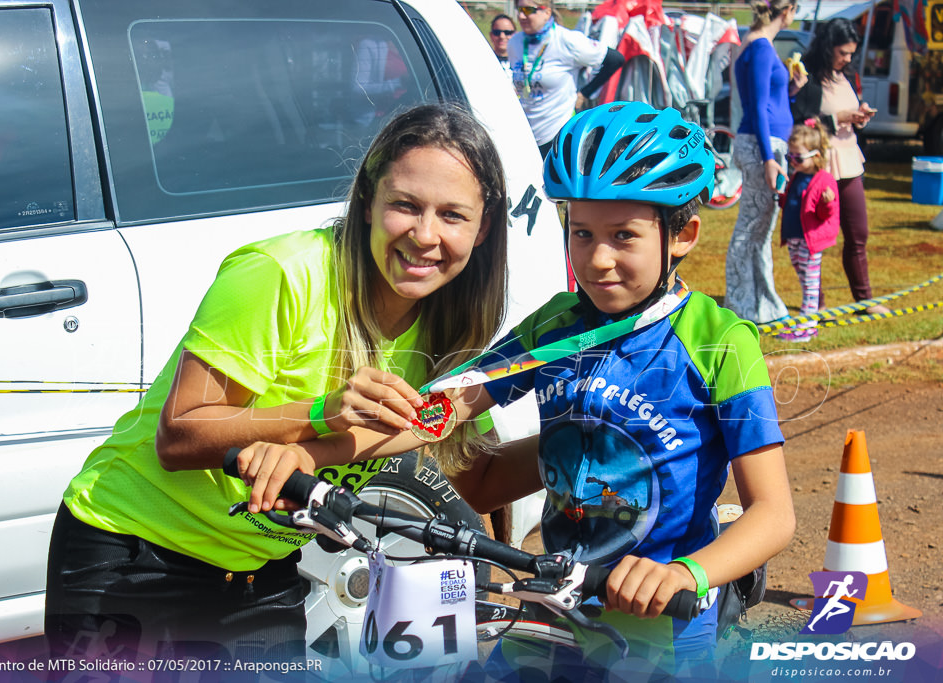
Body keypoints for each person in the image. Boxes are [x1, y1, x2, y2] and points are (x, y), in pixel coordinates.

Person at [248, 102, 795, 678]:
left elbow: (774, 514)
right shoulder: (556, 325)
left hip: (661, 619)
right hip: (553, 599)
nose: (598, 259)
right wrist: (308, 455)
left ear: (681, 234)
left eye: (624, 236)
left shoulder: (719, 341)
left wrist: (686, 573)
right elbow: (434, 413)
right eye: (581, 233)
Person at [43, 103, 510, 664]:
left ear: (483, 228)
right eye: (405, 205)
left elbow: (475, 476)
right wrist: (320, 414)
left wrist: (595, 433)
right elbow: (179, 438)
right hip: (136, 552)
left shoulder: (451, 321)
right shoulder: (283, 272)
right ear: (367, 202)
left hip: (260, 571)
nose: (425, 235)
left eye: (453, 216)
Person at [791, 17, 888, 315]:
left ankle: (865, 301)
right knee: (814, 240)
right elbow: (803, 124)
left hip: (849, 161)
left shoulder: (845, 75)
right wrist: (839, 119)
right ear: (828, 47)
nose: (847, 58)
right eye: (842, 52)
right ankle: (815, 304)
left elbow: (845, 114)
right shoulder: (809, 77)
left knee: (858, 234)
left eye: (850, 53)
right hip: (821, 167)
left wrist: (859, 117)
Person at [725, 0, 805, 324]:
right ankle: (742, 303)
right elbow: (757, 107)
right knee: (751, 228)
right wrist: (769, 159)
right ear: (787, 11)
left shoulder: (759, 44)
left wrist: (793, 90)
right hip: (763, 147)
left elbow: (770, 102)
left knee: (760, 229)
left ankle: (762, 303)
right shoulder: (760, 47)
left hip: (766, 145)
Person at [509, 1, 624, 157]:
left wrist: (585, 93)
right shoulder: (515, 43)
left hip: (558, 135)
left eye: (528, 10)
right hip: (525, 136)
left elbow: (615, 60)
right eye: (518, 10)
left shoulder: (567, 40)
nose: (521, 15)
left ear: (547, 12)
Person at [777, 119, 840, 342]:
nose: (793, 161)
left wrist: (828, 203)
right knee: (804, 279)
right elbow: (795, 202)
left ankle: (808, 325)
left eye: (798, 157)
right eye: (789, 157)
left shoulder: (824, 180)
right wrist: (782, 198)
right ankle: (806, 321)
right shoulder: (797, 176)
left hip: (810, 240)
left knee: (811, 283)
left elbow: (826, 214)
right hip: (794, 237)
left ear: (815, 155)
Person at [489, 14, 517, 80]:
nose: (502, 36)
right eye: (497, 32)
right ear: (491, 35)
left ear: (515, 35)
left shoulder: (523, 62)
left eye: (507, 32)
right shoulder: (485, 62)